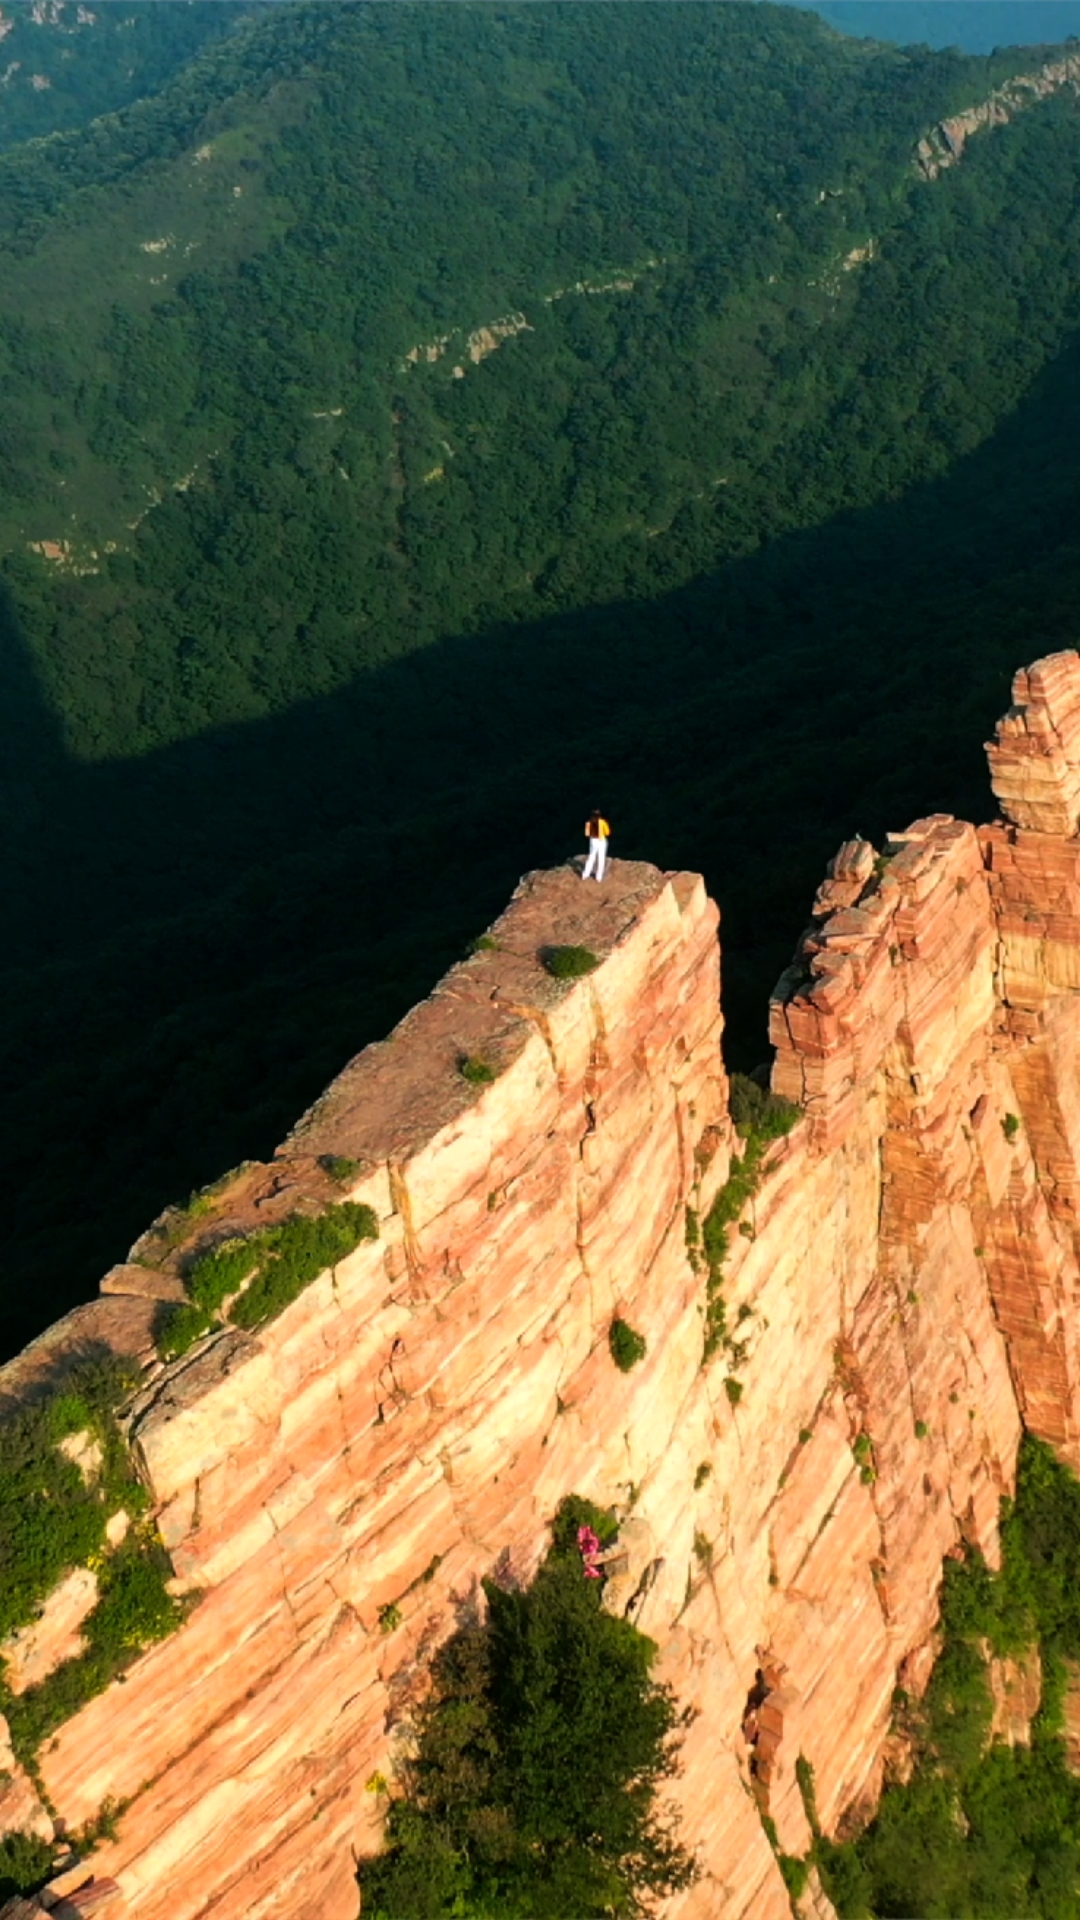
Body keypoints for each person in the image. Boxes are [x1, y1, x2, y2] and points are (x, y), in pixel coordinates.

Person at [582, 810, 610, 882]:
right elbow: (607, 833)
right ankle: (598, 877)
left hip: (592, 841)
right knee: (601, 858)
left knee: (591, 857)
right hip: (601, 841)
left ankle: (585, 874)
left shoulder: (588, 823)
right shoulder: (602, 822)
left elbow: (587, 834)